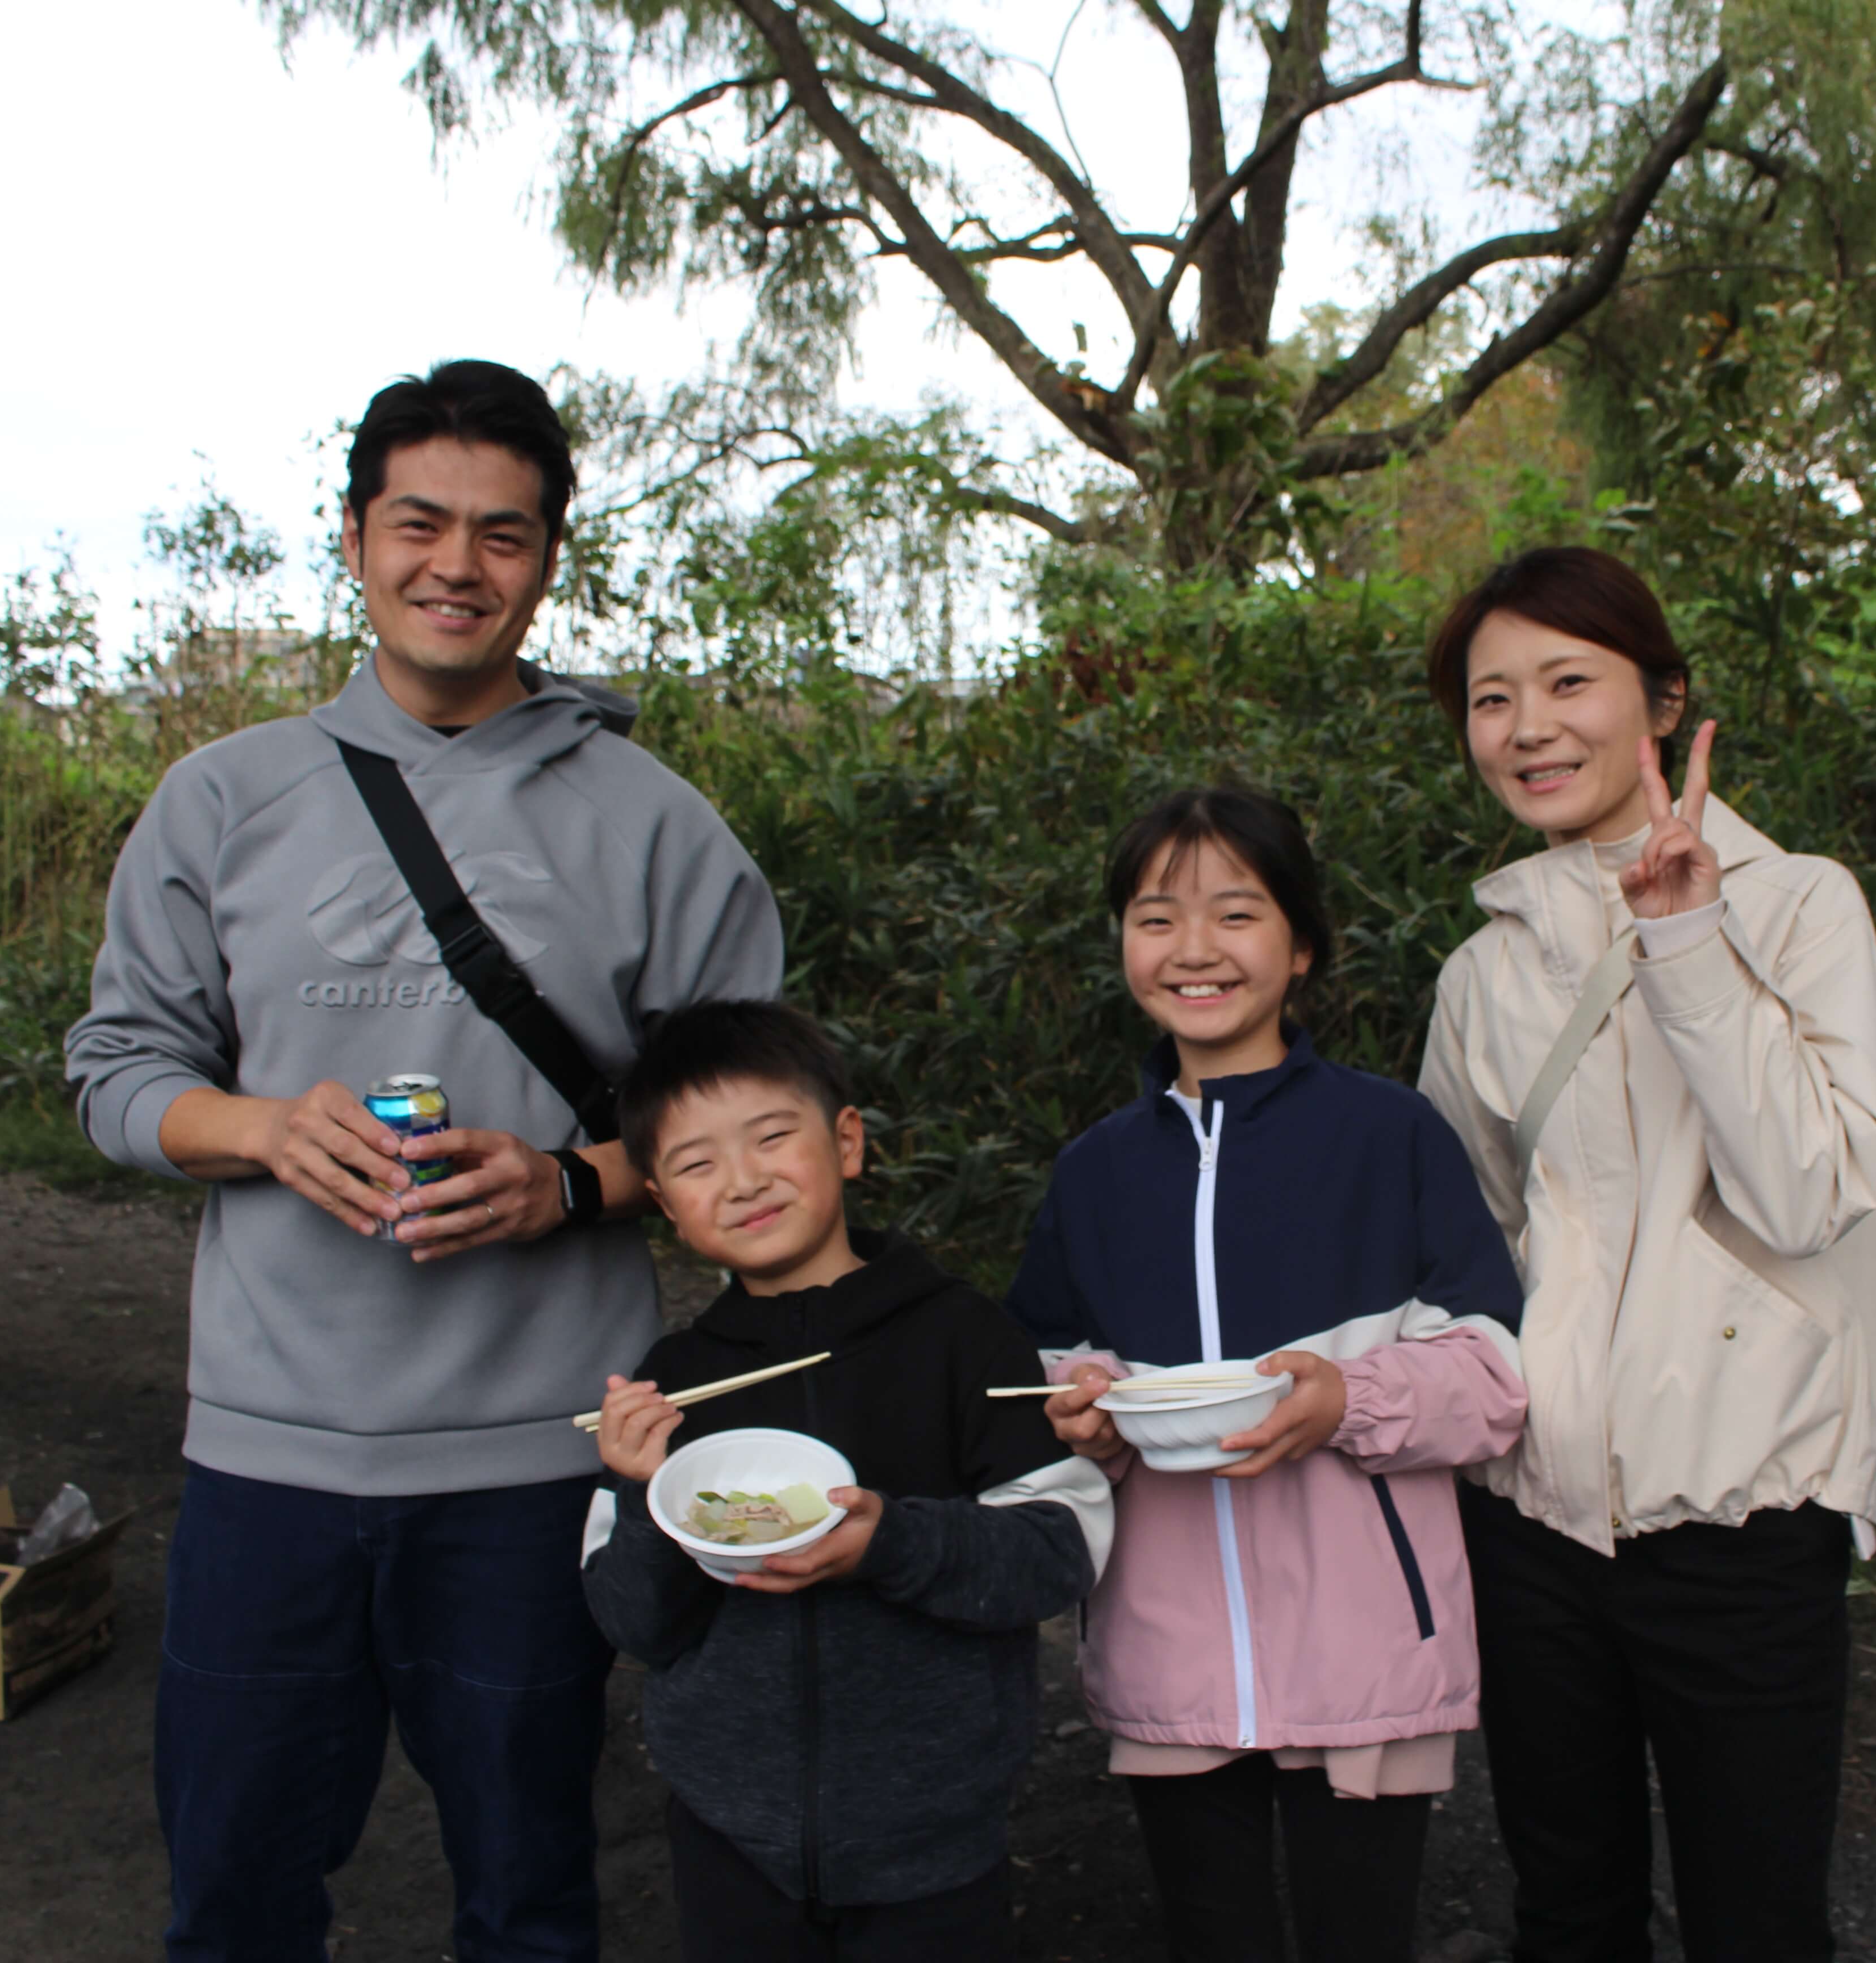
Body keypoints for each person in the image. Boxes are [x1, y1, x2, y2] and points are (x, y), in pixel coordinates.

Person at [63, 358, 783, 1963]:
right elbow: (114, 1075)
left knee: (529, 1900)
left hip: (534, 1466)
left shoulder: (658, 826)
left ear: (549, 560)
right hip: (268, 1460)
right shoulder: (223, 800)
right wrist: (255, 1126)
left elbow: (756, 1144)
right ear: (355, 538)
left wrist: (575, 1183)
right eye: (421, 523)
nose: (457, 565)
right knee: (236, 1897)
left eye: (503, 534)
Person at [1415, 546, 1876, 1962]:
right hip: (1534, 1515)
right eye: (1492, 699)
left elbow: (1812, 1192)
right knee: (1569, 1908)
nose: (1529, 727)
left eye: (1570, 682)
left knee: (1757, 1916)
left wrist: (1686, 938)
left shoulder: (1804, 907)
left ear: (1664, 705)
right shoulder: (1484, 971)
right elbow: (1474, 1240)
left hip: (1749, 1512)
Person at [1010, 787, 1530, 1963]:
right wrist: (1081, 1411)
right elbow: (1037, 1365)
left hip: (1368, 1648)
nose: (1195, 949)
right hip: (1167, 1646)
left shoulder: (1389, 1136)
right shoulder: (1094, 1174)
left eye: (1235, 913)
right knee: (1213, 1935)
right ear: (1122, 945)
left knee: (1364, 1939)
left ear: (1300, 948)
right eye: (1156, 917)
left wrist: (1351, 1399)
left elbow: (1494, 1373)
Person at [582, 999, 1109, 1963]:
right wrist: (645, 1494)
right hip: (729, 1835)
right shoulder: (670, 1381)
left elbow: (1056, 1554)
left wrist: (890, 1543)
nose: (742, 1180)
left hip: (937, 1839)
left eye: (772, 1138)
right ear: (663, 1200)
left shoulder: (962, 1338)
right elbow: (634, 1625)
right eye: (697, 1164)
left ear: (848, 1141)